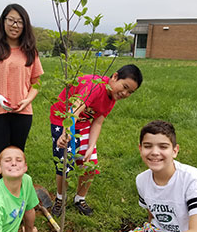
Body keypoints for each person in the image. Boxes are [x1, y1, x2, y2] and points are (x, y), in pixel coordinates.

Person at [50, 64, 143, 216]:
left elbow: (98, 122)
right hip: (63, 120)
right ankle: (61, 198)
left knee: (90, 164)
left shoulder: (112, 98)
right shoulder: (93, 86)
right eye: (124, 86)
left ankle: (79, 198)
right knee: (64, 163)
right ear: (114, 77)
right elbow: (75, 109)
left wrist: (91, 146)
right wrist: (67, 132)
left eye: (130, 92)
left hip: (83, 122)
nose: (125, 93)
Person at [0, 3, 44, 184]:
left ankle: (15, 192)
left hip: (23, 112)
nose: (15, 25)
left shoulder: (31, 52)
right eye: (11, 20)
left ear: (25, 25)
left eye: (19, 22)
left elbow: (36, 84)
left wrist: (27, 100)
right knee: (0, 156)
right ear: (3, 22)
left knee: (16, 156)